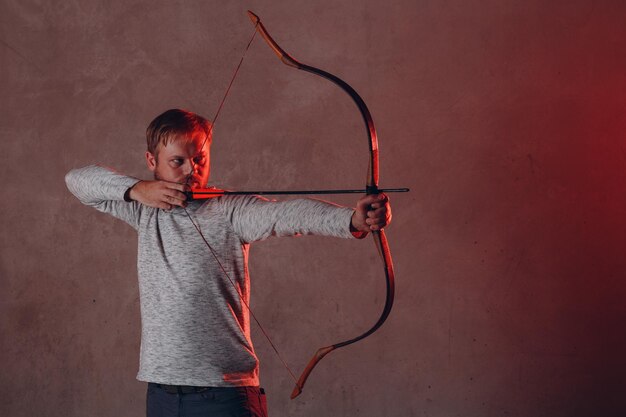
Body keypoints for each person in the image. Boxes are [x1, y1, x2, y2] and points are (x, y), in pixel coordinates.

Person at [65, 108, 392, 417]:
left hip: (223, 393)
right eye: (177, 161)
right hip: (162, 391)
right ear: (152, 161)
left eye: (199, 159)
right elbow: (77, 180)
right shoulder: (143, 209)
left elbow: (284, 215)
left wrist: (352, 220)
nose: (191, 171)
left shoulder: (230, 210)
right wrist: (136, 189)